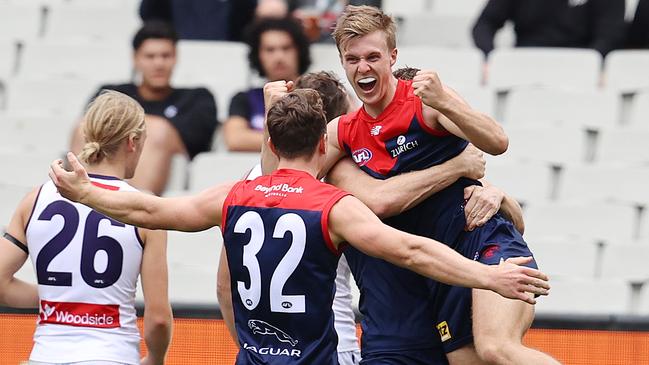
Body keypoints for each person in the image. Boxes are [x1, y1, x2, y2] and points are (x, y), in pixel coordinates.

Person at [49, 89, 550, 365]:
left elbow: (152, 211)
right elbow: (411, 251)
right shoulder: (332, 206)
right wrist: (489, 277)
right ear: (321, 146)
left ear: (268, 139)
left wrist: (86, 192)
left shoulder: (233, 195)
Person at [324, 5, 560, 364]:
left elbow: (496, 142)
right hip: (444, 270)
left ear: (393, 56)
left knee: (496, 348)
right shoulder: (345, 132)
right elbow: (284, 173)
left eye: (373, 56)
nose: (363, 67)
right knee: (464, 360)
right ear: (343, 63)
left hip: (482, 243)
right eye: (352, 59)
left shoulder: (423, 102)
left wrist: (445, 101)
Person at [1, 91, 172, 365]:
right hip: (111, 355)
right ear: (132, 141)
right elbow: (159, 319)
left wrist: (60, 296)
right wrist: (155, 358)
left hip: (45, 357)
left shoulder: (34, 199)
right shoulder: (145, 208)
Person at [70, 21, 219, 196]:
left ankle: (128, 210)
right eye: (150, 56)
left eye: (166, 56)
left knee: (157, 130)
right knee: (83, 127)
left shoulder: (197, 97)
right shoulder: (112, 92)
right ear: (135, 59)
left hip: (163, 186)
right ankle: (83, 200)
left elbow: (197, 143)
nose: (159, 63)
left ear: (176, 57)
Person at [223, 17, 311, 152]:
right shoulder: (243, 99)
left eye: (286, 48)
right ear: (258, 55)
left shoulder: (319, 94)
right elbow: (235, 139)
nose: (279, 56)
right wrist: (300, 141)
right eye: (270, 50)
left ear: (299, 51)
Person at [472, 0, 626, 57]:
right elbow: (484, 24)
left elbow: (609, 36)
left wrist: (592, 64)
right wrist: (490, 58)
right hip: (525, 61)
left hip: (579, 64)